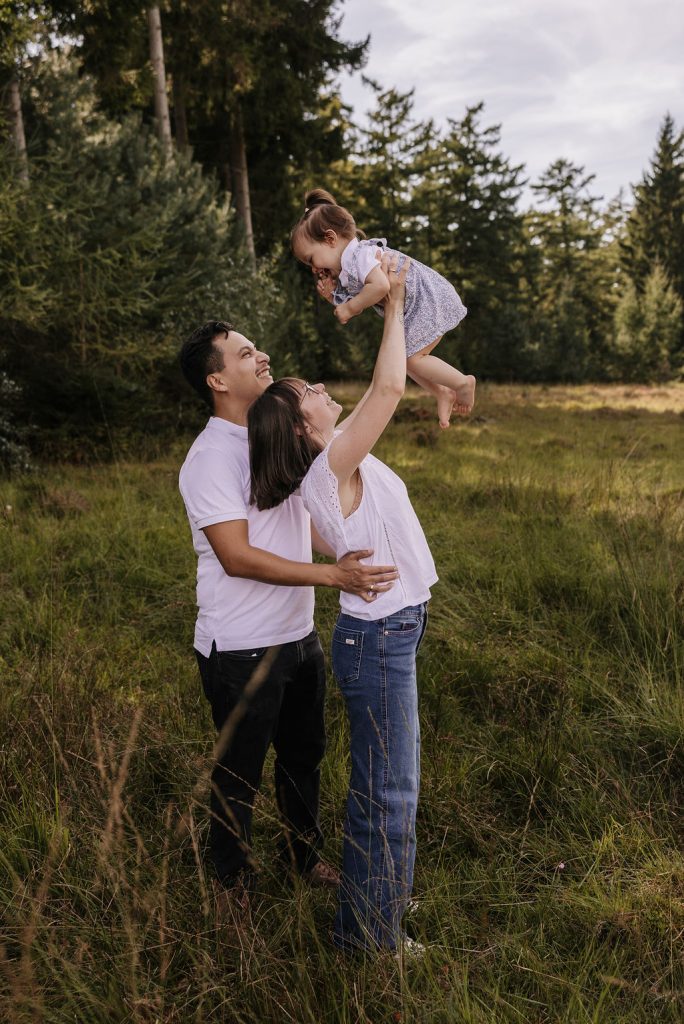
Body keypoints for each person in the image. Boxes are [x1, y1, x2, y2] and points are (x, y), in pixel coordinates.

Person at [248, 256, 436, 954]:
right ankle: (368, 939)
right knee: (388, 791)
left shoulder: (331, 460)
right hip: (378, 637)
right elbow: (388, 387)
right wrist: (395, 303)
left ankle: (375, 908)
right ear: (301, 427)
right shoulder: (329, 469)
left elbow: (375, 397)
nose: (323, 389)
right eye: (309, 392)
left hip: (389, 629)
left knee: (390, 785)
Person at [178, 321, 399, 913]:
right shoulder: (209, 458)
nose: (262, 356)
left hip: (298, 636)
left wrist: (345, 550)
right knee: (240, 773)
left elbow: (302, 517)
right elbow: (237, 555)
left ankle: (303, 858)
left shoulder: (275, 432)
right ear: (217, 380)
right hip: (241, 645)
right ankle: (231, 888)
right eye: (245, 353)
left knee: (304, 757)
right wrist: (333, 577)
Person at [291, 187, 475, 429]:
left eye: (311, 259)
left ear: (330, 239)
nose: (313, 268)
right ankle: (442, 391)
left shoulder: (360, 255)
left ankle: (462, 383)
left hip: (426, 299)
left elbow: (380, 286)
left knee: (413, 359)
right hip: (413, 305)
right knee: (404, 360)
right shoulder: (348, 268)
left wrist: (350, 308)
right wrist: (333, 297)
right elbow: (361, 296)